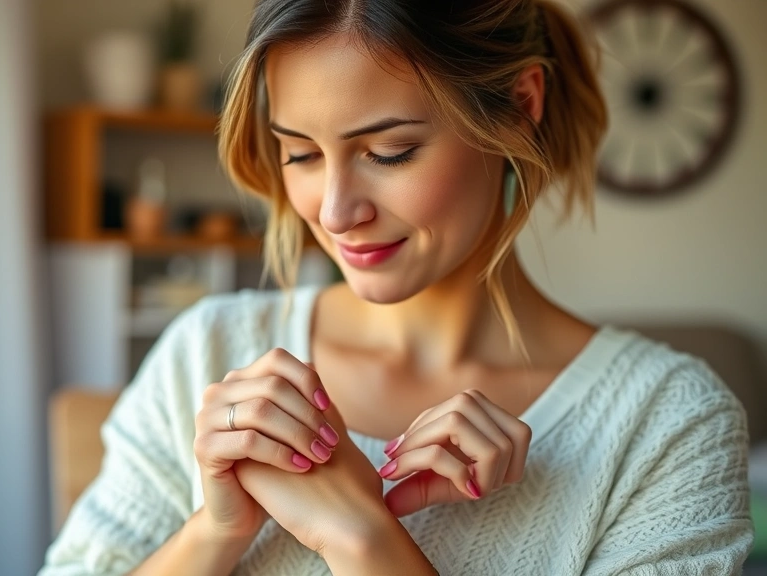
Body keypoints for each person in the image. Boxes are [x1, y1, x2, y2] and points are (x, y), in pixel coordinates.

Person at [39, 0, 753, 574]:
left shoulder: (669, 426)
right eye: (301, 154)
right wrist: (215, 533)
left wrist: (362, 539)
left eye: (389, 152)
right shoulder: (208, 350)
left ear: (518, 105)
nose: (334, 210)